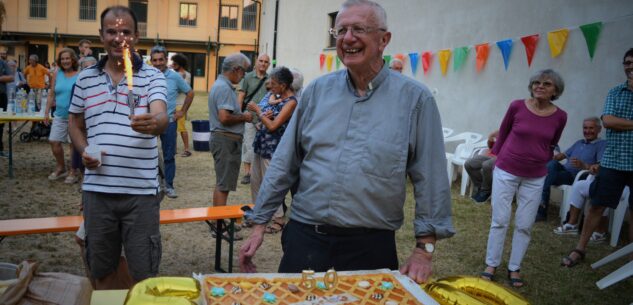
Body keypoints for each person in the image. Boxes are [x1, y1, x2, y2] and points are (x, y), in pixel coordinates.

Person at [239, 0, 454, 284]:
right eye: (340, 30)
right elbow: (285, 162)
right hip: (305, 239)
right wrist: (259, 224)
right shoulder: (317, 92)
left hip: (370, 246)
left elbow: (431, 176)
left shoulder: (415, 100)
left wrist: (424, 250)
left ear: (384, 39)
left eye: (359, 29)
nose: (348, 38)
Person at [68, 6, 168, 289]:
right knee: (101, 269)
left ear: (136, 36)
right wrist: (85, 149)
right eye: (111, 31)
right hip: (98, 193)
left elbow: (161, 115)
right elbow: (74, 123)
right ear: (101, 35)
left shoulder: (151, 76)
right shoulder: (85, 78)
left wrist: (155, 121)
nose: (118, 37)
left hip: (141, 194)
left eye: (125, 31)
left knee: (144, 273)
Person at [481, 69, 567, 287]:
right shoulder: (517, 106)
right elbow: (504, 130)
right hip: (506, 170)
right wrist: (496, 157)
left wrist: (542, 158)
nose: (540, 86)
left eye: (546, 84)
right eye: (536, 82)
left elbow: (552, 142)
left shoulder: (560, 116)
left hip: (536, 175)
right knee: (500, 220)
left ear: (555, 90)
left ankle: (514, 268)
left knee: (524, 224)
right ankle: (491, 264)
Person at [562, 48, 633, 267]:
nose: (630, 67)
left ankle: (631, 259)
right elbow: (609, 121)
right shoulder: (615, 92)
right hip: (613, 161)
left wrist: (624, 124)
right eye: (627, 62)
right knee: (596, 206)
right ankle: (580, 249)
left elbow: (615, 121)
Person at [246, 66, 298, 234]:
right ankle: (258, 214)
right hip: (261, 145)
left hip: (274, 149)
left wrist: (259, 112)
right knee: (256, 182)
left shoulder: (291, 102)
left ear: (283, 85)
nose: (270, 87)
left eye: (274, 84)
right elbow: (267, 121)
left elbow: (274, 126)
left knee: (271, 184)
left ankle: (278, 220)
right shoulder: (275, 97)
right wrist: (263, 120)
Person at [536, 117, 606, 221]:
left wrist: (583, 165)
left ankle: (541, 211)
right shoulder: (579, 142)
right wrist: (552, 155)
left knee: (544, 176)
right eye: (585, 128)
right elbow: (563, 155)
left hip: (575, 177)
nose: (587, 131)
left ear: (599, 129)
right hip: (562, 171)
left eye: (591, 128)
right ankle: (540, 209)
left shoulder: (602, 144)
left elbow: (599, 168)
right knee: (551, 164)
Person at [207, 52, 252, 213]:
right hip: (225, 140)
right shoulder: (224, 88)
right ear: (236, 69)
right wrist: (245, 116)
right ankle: (219, 226)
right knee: (223, 185)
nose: (244, 76)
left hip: (224, 139)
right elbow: (224, 117)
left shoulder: (220, 85)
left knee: (222, 183)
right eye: (244, 71)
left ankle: (219, 222)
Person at [150, 46, 194, 198]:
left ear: (165, 60)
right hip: (150, 123)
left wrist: (182, 112)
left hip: (169, 122)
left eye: (161, 59)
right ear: (151, 61)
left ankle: (168, 185)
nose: (158, 63)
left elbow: (190, 93)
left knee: (169, 155)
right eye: (154, 60)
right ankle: (150, 184)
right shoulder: (146, 75)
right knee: (147, 154)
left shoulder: (175, 76)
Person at [44, 48, 81, 183]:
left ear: (73, 60)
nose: (65, 61)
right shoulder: (57, 73)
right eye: (63, 59)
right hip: (59, 114)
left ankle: (73, 170)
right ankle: (61, 167)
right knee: (54, 141)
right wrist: (46, 112)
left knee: (73, 145)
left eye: (68, 58)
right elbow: (51, 93)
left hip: (75, 117)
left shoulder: (80, 75)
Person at [553, 166, 615, 243]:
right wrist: (595, 168)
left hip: (621, 183)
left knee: (604, 190)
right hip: (603, 178)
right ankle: (572, 225)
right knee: (579, 185)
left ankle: (600, 232)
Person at [237, 53, 270, 185]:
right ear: (256, 62)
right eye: (261, 61)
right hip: (249, 117)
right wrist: (239, 115)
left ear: (268, 65)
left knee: (263, 146)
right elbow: (241, 96)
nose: (263, 64)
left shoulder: (271, 79)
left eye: (266, 62)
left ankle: (259, 173)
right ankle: (247, 173)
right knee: (248, 144)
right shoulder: (247, 77)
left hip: (265, 118)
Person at [170, 53, 194, 157]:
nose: (172, 65)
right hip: (173, 104)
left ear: (180, 64)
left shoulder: (185, 75)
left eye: (175, 64)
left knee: (182, 128)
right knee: (172, 128)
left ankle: (187, 149)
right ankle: (173, 149)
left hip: (180, 104)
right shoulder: (175, 74)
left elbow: (184, 89)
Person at [465, 130, 499, 203]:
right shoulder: (502, 131)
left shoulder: (514, 135)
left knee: (486, 165)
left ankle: (485, 192)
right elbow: (490, 146)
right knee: (469, 163)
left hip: (503, 158)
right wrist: (491, 137)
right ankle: (480, 187)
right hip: (490, 155)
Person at [0, 52, 13, 156]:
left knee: (1, 123)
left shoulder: (3, 63)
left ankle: (0, 149)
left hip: (1, 95)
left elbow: (11, 77)